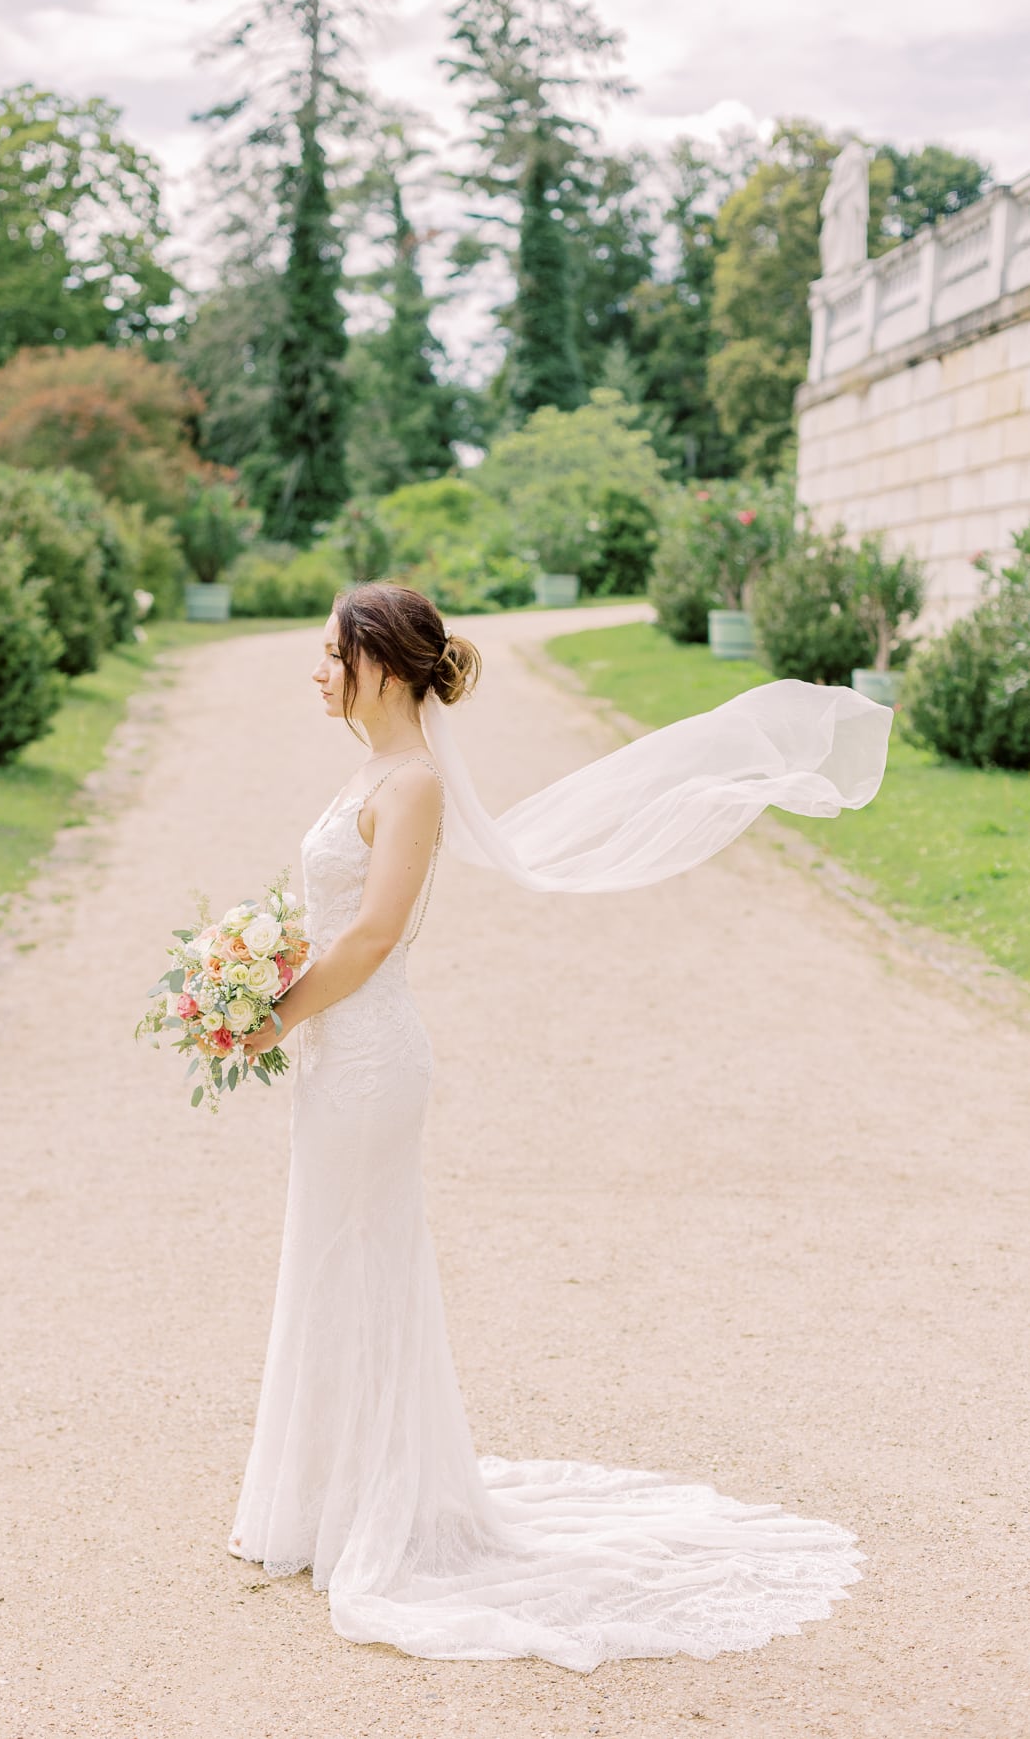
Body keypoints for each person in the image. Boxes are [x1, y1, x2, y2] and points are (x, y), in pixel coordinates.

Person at [227, 582, 880, 1672]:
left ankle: (377, 1513)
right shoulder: (368, 770)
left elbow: (378, 932)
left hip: (372, 1058)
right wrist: (251, 977)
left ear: (380, 664)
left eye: (331, 651)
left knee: (366, 1262)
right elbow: (331, 916)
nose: (317, 669)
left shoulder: (417, 782)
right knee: (326, 1259)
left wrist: (269, 1016)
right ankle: (320, 1500)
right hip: (335, 1053)